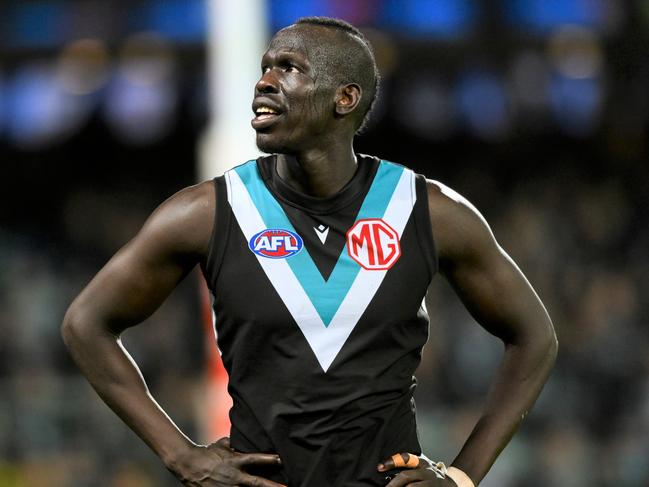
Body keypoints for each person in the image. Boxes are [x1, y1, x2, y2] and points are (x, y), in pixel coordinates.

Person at [61, 16, 557, 487]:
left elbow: (535, 337)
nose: (264, 82)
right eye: (264, 68)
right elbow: (86, 324)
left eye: (289, 68)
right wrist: (180, 454)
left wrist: (463, 475)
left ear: (345, 98)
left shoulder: (427, 211)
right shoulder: (207, 212)